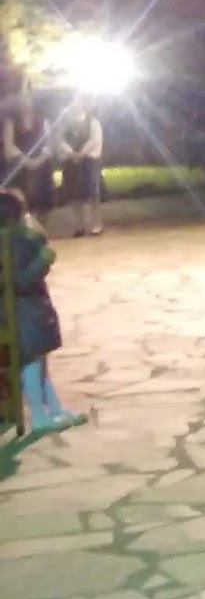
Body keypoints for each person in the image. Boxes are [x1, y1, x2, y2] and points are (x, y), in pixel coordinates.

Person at [1, 188, 85, 434]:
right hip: (25, 311)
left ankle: (55, 409)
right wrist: (43, 260)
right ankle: (39, 415)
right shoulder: (18, 243)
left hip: (22, 310)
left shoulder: (12, 240)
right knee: (32, 363)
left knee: (38, 362)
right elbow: (21, 281)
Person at [4, 91, 56, 228]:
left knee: (46, 203)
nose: (25, 101)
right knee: (26, 202)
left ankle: (40, 230)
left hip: (42, 163)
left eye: (27, 98)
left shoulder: (42, 118)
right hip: (20, 166)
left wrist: (41, 158)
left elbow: (49, 142)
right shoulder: (11, 121)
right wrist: (28, 161)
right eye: (21, 98)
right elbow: (9, 147)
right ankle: (28, 231)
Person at [56, 99, 104, 238]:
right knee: (74, 195)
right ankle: (79, 225)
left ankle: (96, 223)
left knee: (92, 193)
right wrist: (71, 154)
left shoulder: (93, 122)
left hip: (89, 161)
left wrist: (81, 154)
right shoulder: (64, 125)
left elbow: (94, 140)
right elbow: (60, 140)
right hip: (71, 162)